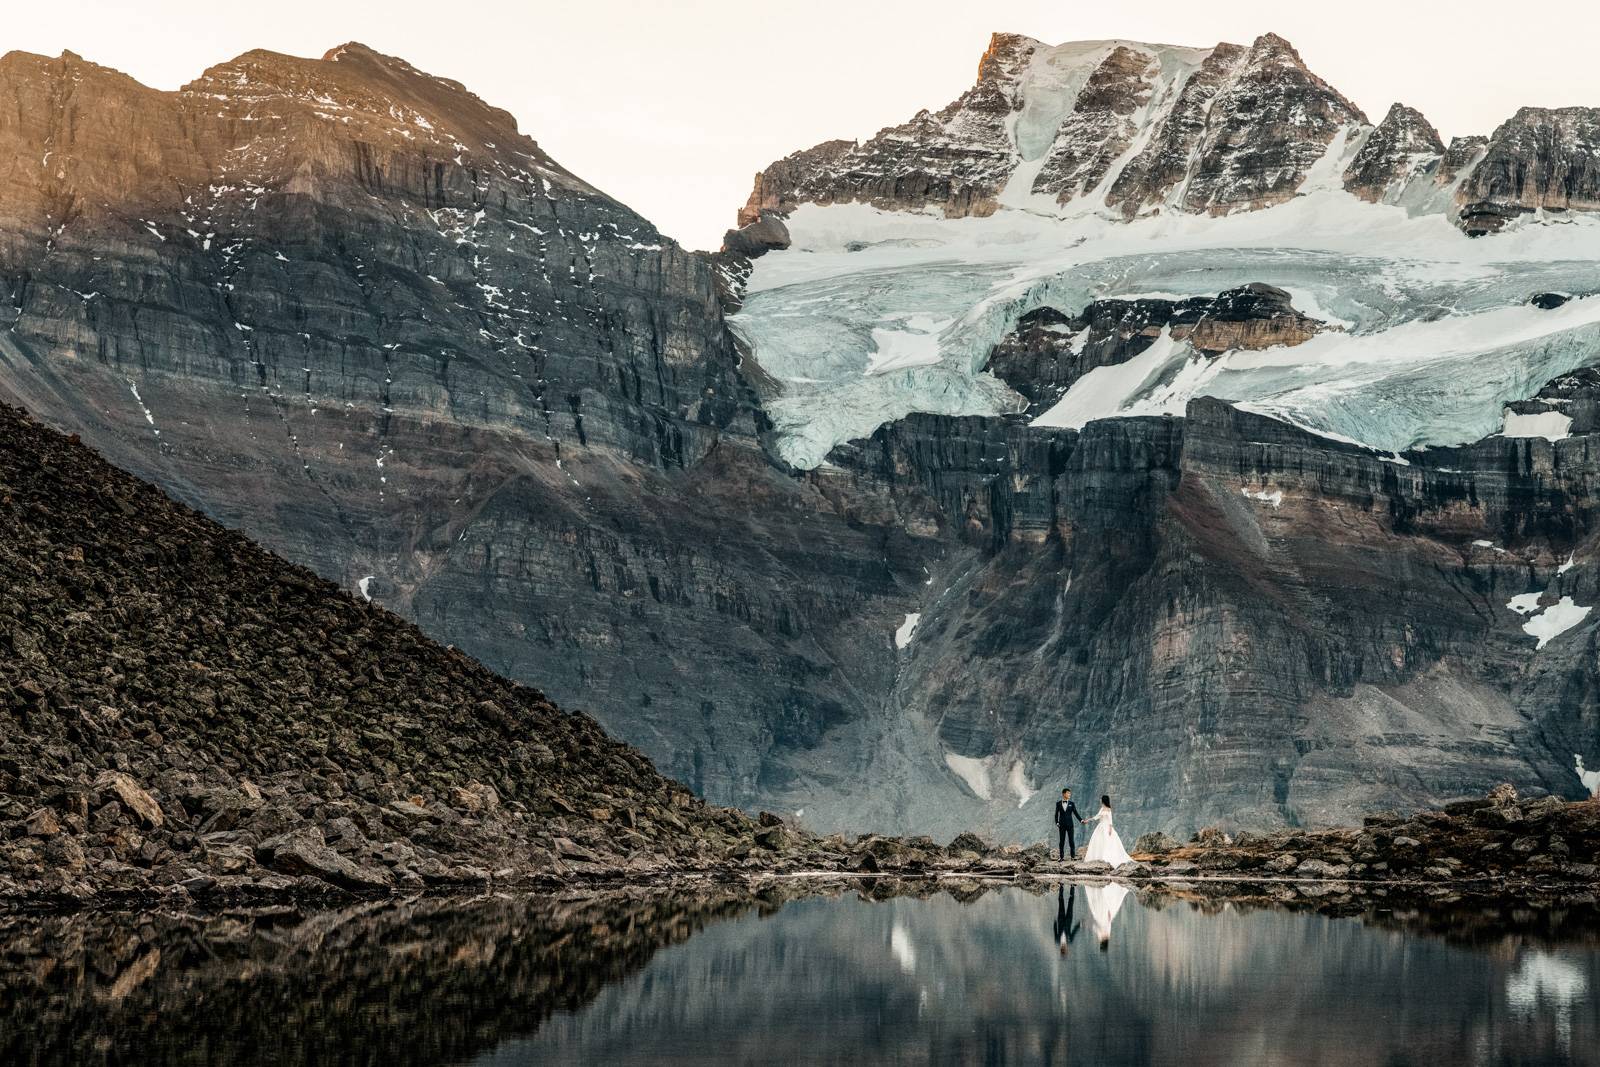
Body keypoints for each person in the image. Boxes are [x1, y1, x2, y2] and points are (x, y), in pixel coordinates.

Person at [1083, 792, 1131, 867]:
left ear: (1103, 800)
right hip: (1101, 827)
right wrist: (1088, 820)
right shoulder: (1102, 809)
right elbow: (1097, 817)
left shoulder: (1108, 809)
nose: (1100, 800)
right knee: (1099, 841)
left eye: (1101, 799)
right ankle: (1099, 857)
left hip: (1106, 827)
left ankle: (1107, 858)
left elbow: (1110, 820)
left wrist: (1110, 829)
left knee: (1107, 842)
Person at [1053, 787, 1084, 860]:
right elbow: (1056, 814)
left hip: (1070, 825)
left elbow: (1076, 813)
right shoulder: (1058, 803)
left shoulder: (1072, 803)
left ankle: (1073, 857)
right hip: (1062, 825)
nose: (1069, 794)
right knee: (1062, 841)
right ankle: (1061, 857)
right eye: (1068, 793)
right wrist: (1057, 822)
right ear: (1064, 794)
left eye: (1070, 793)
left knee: (1071, 841)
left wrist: (1081, 820)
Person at [1053, 883, 1079, 955]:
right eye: (1065, 949)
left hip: (1060, 919)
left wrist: (1055, 923)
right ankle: (1072, 887)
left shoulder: (1057, 940)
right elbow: (1074, 931)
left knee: (1061, 901)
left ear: (1061, 949)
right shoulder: (1070, 940)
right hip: (1069, 919)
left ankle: (1061, 886)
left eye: (1063, 949)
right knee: (1071, 902)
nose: (1064, 948)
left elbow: (1055, 930)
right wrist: (1079, 925)